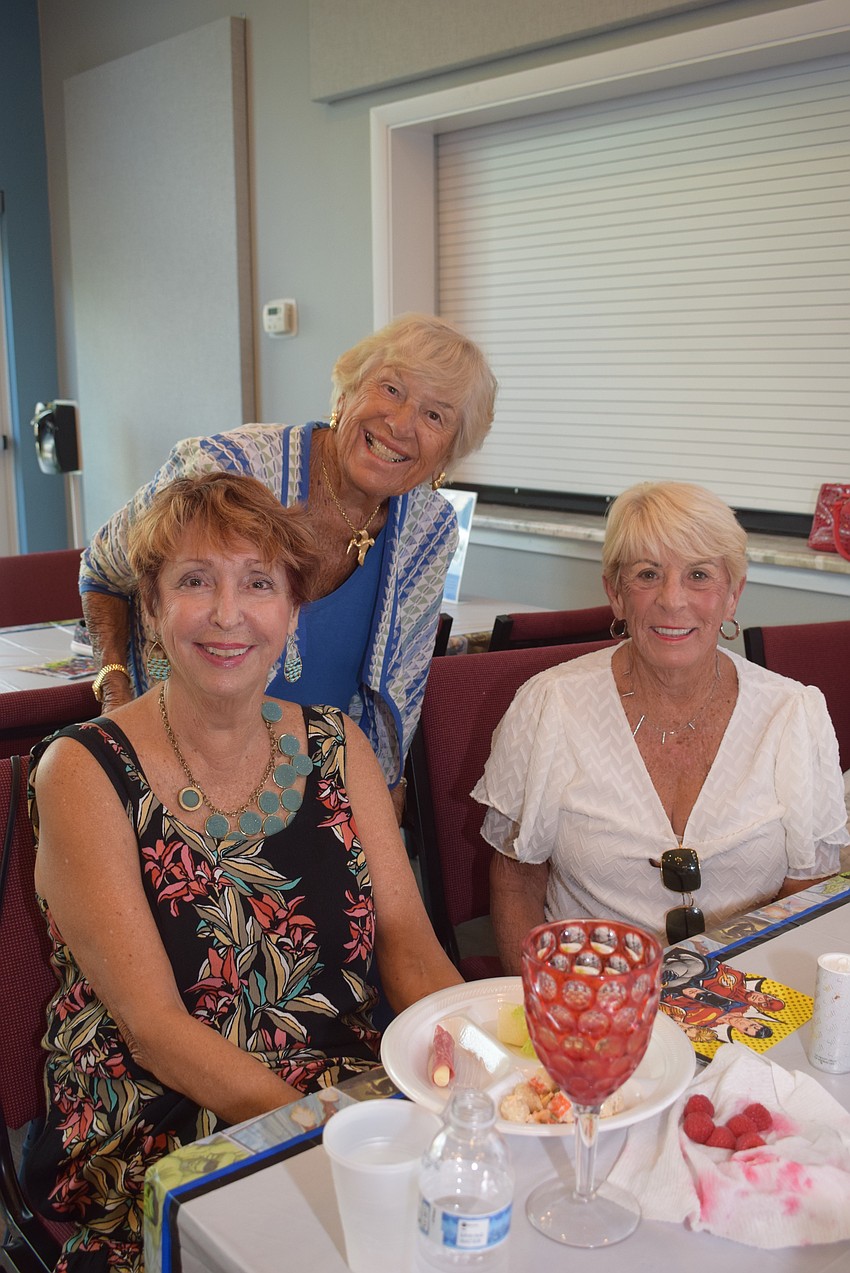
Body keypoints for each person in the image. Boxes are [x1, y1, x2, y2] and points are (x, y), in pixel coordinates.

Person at [26, 473, 462, 1273]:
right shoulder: (83, 771)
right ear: (152, 610)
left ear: (291, 610)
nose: (228, 613)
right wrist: (329, 1132)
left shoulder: (339, 744)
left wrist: (469, 1076)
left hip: (344, 1082)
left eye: (258, 582)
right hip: (159, 1118)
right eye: (195, 581)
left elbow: (408, 939)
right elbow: (156, 1031)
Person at [80, 313, 498, 815]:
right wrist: (114, 688)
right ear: (345, 394)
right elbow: (102, 570)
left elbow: (401, 694)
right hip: (178, 771)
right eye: (391, 389)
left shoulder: (428, 530)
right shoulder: (229, 468)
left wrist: (382, 803)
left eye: (436, 416)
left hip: (318, 794)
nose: (402, 424)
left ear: (447, 453)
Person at [473, 481, 849, 971]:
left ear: (732, 594)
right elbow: (516, 875)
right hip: (589, 993)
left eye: (698, 575)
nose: (673, 600)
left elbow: (807, 890)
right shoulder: (550, 705)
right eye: (648, 574)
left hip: (744, 994)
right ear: (616, 593)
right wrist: (543, 1006)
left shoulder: (794, 713)